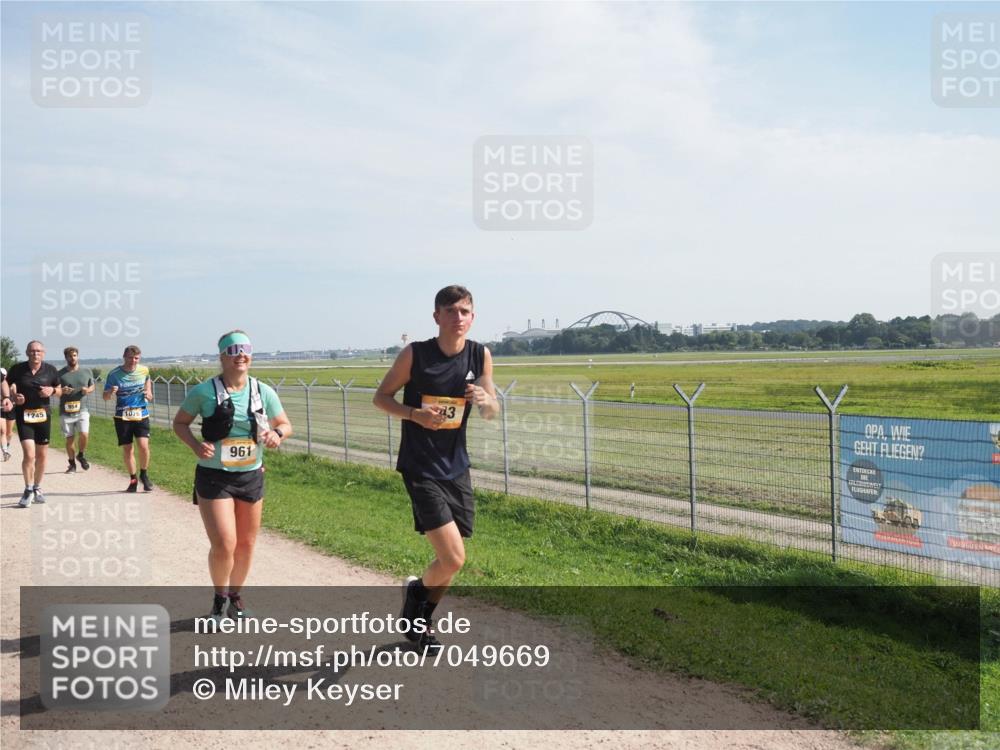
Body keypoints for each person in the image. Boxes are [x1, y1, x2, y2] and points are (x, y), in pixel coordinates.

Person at [373, 285, 498, 651]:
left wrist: (487, 399)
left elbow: (492, 412)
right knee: (453, 556)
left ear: (472, 317)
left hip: (456, 466)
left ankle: (418, 607)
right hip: (420, 465)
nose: (458, 318)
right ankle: (419, 608)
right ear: (436, 316)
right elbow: (381, 398)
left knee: (452, 562)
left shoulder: (480, 355)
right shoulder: (416, 354)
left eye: (464, 311)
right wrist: (414, 414)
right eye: (450, 311)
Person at [173, 330, 291, 621]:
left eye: (246, 349)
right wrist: (194, 445)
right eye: (233, 349)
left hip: (250, 476)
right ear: (222, 356)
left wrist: (277, 434)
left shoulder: (263, 391)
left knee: (247, 543)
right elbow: (180, 423)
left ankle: (236, 598)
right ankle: (219, 601)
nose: (241, 354)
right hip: (214, 478)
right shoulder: (203, 392)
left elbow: (285, 424)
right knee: (225, 543)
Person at [3, 341, 62, 507]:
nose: (35, 353)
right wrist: (12, 397)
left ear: (43, 353)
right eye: (32, 351)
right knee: (29, 455)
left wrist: (52, 391)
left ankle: (37, 487)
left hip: (43, 416)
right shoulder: (18, 369)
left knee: (42, 455)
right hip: (24, 416)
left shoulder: (50, 370)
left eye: (38, 351)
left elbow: (60, 389)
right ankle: (28, 489)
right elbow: (7, 383)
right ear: (27, 352)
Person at [103, 344, 154, 492]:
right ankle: (133, 479)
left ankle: (144, 474)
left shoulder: (144, 370)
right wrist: (111, 392)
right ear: (124, 357)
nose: (133, 361)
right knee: (128, 449)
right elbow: (105, 397)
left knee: (144, 446)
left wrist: (149, 393)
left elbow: (147, 381)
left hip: (141, 413)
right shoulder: (114, 374)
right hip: (122, 416)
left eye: (136, 358)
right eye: (130, 358)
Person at [58, 346, 95, 473]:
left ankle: (81, 454)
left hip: (82, 409)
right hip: (65, 411)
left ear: (77, 356)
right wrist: (62, 391)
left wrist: (87, 390)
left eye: (74, 355)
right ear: (66, 358)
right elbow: (56, 391)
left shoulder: (86, 371)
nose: (72, 358)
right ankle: (72, 464)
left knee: (84, 434)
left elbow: (92, 386)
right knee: (70, 439)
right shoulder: (60, 374)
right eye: (69, 356)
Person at [1, 366, 14, 461]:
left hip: (11, 409)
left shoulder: (12, 384)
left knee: (9, 433)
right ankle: (5, 451)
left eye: (4, 375)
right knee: (2, 431)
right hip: (1, 408)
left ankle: (7, 445)